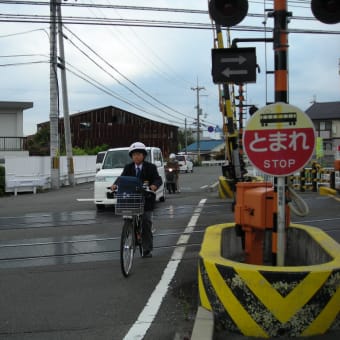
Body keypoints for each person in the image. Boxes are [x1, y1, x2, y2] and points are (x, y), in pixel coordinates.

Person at [111, 142, 162, 258]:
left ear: (144, 155)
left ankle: (147, 249)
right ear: (131, 156)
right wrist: (114, 185)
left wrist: (154, 186)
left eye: (139, 154)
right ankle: (132, 235)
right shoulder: (128, 168)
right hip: (132, 199)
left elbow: (158, 179)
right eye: (134, 155)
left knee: (146, 221)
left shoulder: (151, 167)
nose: (136, 156)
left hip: (146, 199)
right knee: (128, 218)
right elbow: (121, 179)